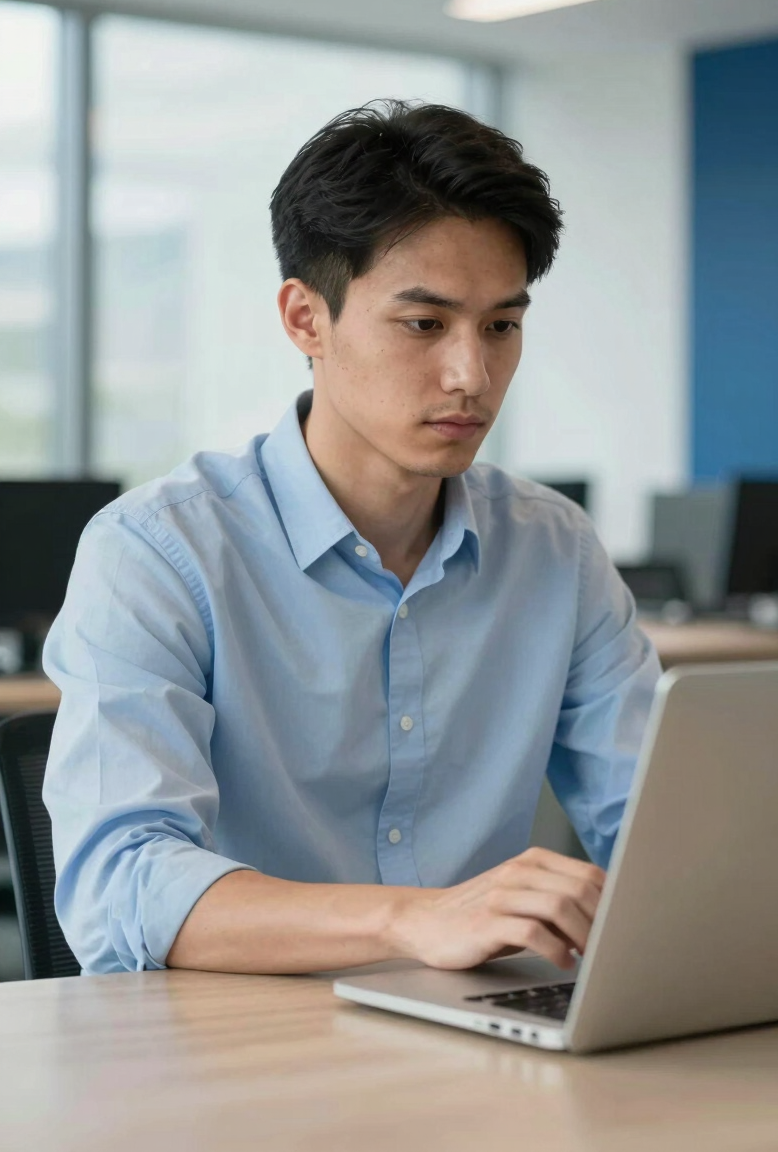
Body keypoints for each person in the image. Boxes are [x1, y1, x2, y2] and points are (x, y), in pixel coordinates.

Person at [43, 100, 661, 976]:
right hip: (231, 1053)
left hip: (473, 1034)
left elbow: (660, 825)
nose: (471, 375)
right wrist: (412, 921)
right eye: (424, 324)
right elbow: (122, 888)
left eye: (501, 325)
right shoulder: (156, 551)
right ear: (305, 319)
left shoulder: (555, 550)